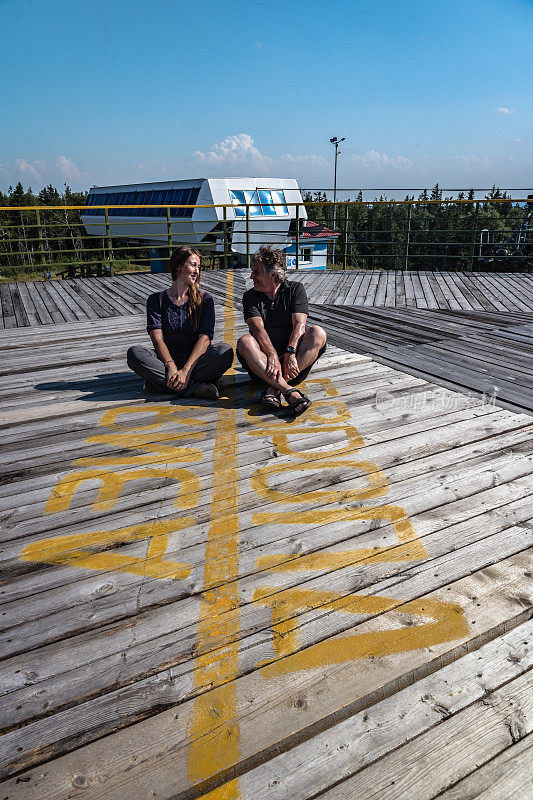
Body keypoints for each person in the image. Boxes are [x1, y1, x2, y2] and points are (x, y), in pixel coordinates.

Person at [127, 246, 233, 399]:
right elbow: (157, 339)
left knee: (225, 351)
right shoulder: (156, 300)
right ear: (178, 266)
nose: (197, 271)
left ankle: (162, 385)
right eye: (192, 265)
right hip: (166, 361)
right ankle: (196, 388)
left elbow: (205, 339)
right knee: (134, 353)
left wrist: (186, 371)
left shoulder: (205, 299)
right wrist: (171, 366)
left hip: (197, 362)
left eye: (198, 266)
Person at [237, 245, 327, 415]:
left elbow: (300, 324)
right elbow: (257, 330)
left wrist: (291, 352)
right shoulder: (250, 296)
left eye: (257, 272)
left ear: (273, 275)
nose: (251, 276)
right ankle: (288, 391)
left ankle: (274, 388)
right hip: (263, 366)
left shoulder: (295, 289)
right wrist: (271, 355)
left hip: (293, 364)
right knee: (244, 341)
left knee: (318, 332)